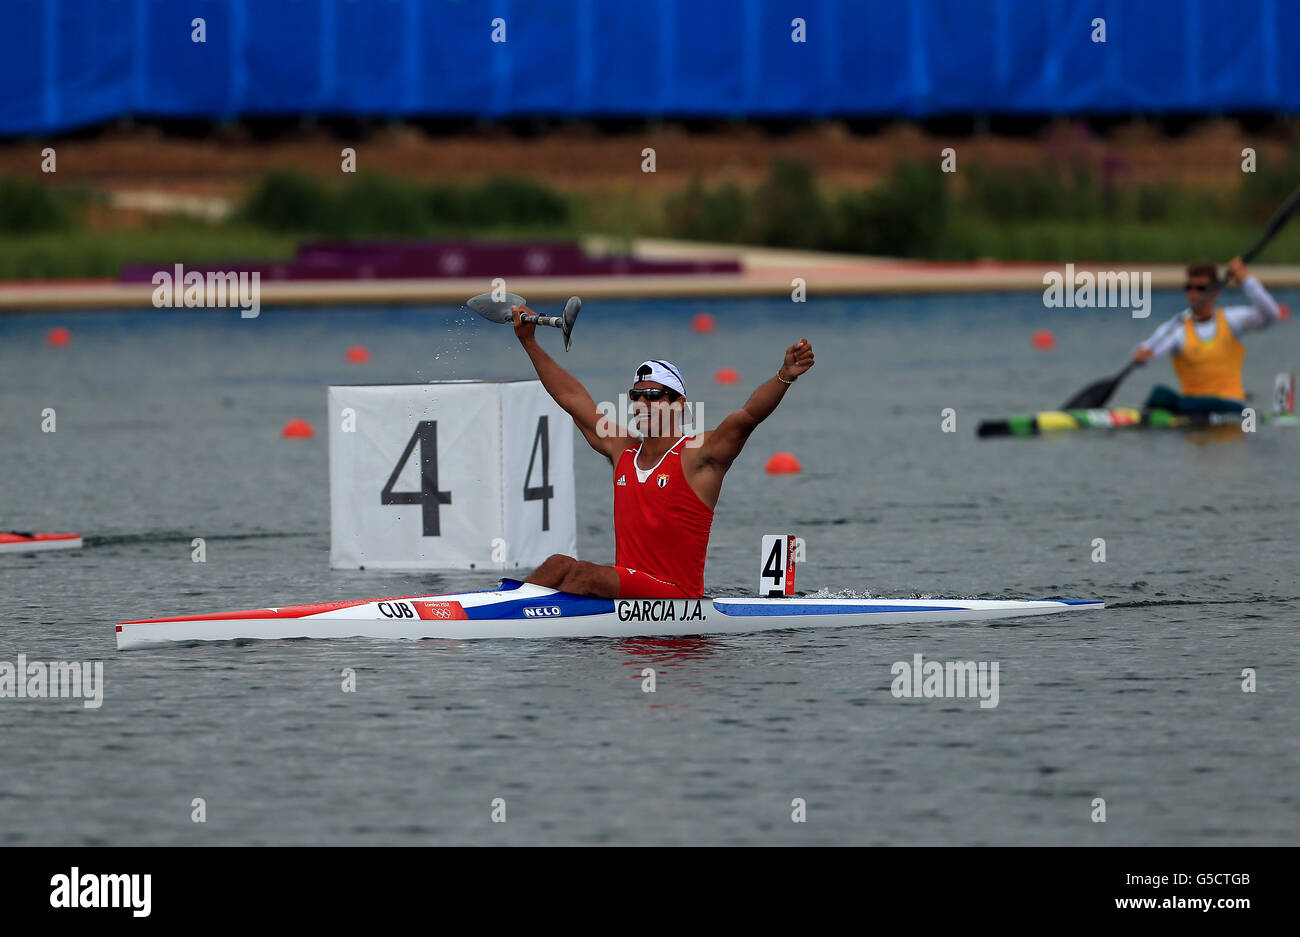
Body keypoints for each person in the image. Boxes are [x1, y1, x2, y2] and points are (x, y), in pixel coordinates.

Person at [511, 304, 814, 598]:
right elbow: (571, 396)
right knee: (558, 564)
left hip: (676, 595)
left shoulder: (698, 455)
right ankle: (500, 610)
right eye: (636, 396)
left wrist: (784, 375)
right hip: (626, 593)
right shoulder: (622, 449)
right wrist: (529, 343)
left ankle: (525, 620)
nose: (641, 404)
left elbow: (747, 416)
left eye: (653, 396)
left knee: (582, 575)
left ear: (678, 404)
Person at [1133, 257, 1283, 413]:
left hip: (1230, 405)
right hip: (1190, 405)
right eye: (1189, 287)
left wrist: (1246, 280)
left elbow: (1271, 315)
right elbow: (1151, 351)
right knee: (1160, 394)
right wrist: (1143, 356)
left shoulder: (1232, 320)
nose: (1193, 294)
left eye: (1200, 288)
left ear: (1215, 291)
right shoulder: (1177, 327)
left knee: (1192, 404)